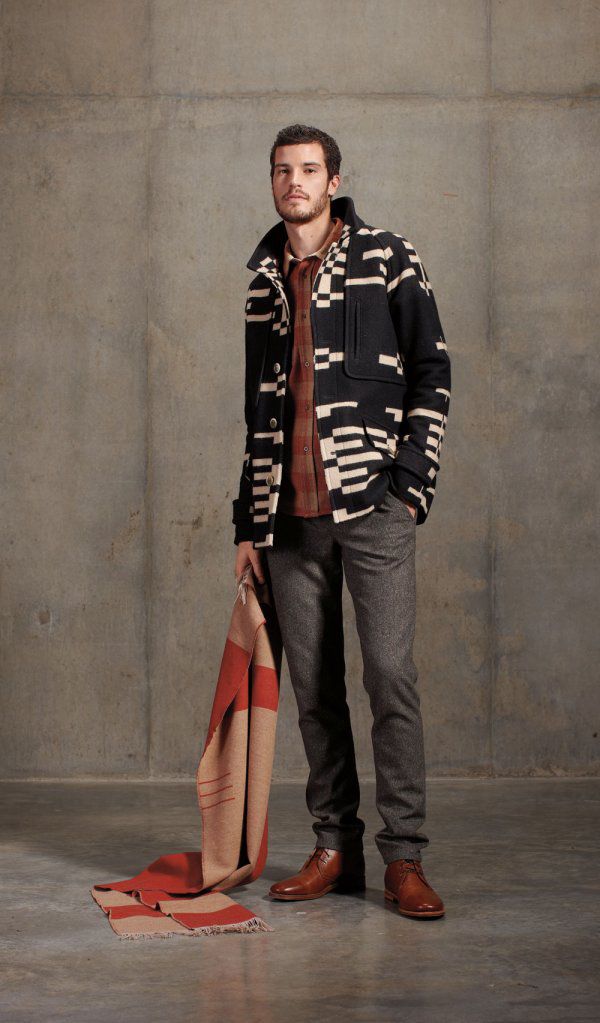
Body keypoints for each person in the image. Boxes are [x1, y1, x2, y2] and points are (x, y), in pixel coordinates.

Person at [232, 123, 450, 919]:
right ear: (272, 182)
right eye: (281, 170)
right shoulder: (263, 283)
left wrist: (411, 484)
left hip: (372, 505)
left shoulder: (388, 256)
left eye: (309, 169)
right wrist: (247, 524)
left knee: (389, 673)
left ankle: (405, 856)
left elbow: (432, 368)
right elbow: (258, 411)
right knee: (313, 688)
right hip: (288, 518)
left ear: (334, 181)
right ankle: (336, 846)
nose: (294, 181)